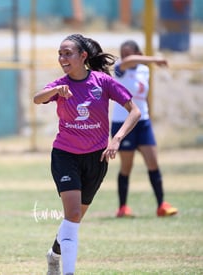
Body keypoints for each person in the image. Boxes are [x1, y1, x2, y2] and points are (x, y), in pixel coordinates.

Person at [33, 33, 141, 275]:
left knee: (74, 219)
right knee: (71, 213)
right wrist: (55, 91)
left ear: (83, 56)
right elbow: (37, 98)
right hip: (65, 156)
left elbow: (134, 111)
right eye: (60, 54)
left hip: (96, 158)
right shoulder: (61, 84)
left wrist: (116, 139)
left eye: (67, 53)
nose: (62, 58)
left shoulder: (102, 82)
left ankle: (53, 255)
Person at [111, 40, 178, 218]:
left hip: (143, 122)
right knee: (127, 166)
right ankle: (123, 207)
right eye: (123, 53)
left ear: (138, 53)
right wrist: (155, 58)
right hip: (123, 122)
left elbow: (143, 97)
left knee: (153, 163)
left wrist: (148, 112)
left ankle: (161, 205)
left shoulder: (144, 70)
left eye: (129, 52)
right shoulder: (120, 68)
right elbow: (128, 61)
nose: (126, 56)